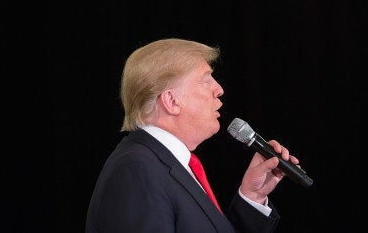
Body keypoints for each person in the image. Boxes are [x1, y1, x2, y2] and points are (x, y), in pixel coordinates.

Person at [85, 38, 302, 232]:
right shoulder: (136, 171)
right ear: (171, 101)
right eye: (206, 80)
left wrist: (252, 197)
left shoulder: (165, 163)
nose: (219, 89)